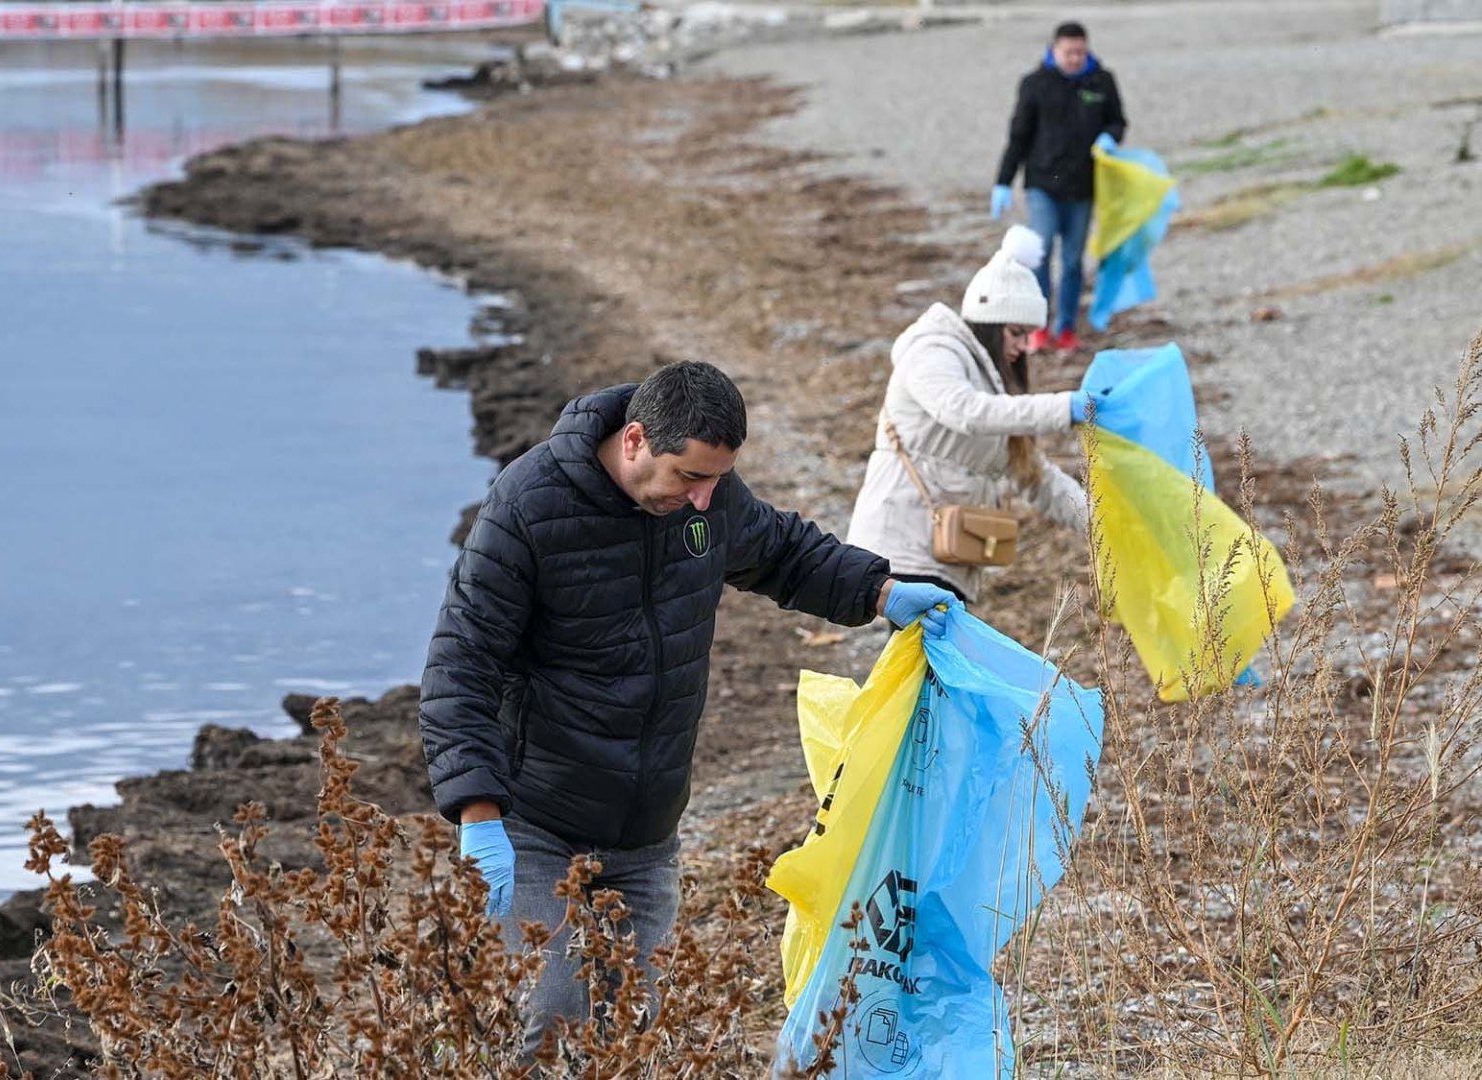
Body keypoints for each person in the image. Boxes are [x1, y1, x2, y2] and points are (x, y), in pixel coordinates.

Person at [418, 360, 953, 1053]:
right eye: (689, 478)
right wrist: (477, 812)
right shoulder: (529, 507)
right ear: (635, 439)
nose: (703, 499)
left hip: (648, 830)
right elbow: (462, 662)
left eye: (715, 480)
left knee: (640, 1035)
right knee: (553, 1021)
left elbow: (786, 553)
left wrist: (881, 591)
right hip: (538, 824)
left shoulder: (709, 500)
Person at [846, 226, 1100, 607]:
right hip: (901, 553)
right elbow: (964, 411)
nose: (1022, 346)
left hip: (948, 557)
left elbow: (1036, 477)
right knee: (917, 664)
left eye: (1029, 335)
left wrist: (1102, 523)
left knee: (917, 666)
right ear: (989, 323)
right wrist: (1065, 408)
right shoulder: (933, 351)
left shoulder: (993, 387)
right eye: (1017, 333)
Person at [990, 20, 1128, 355]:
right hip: (1042, 184)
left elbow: (1117, 120)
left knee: (1072, 261)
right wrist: (1003, 182)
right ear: (1055, 50)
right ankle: (1038, 328)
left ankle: (1065, 328)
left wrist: (1111, 136)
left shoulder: (1102, 81)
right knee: (1039, 255)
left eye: (1081, 52)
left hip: (1083, 187)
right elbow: (1019, 136)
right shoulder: (1035, 84)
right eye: (1069, 53)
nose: (1075, 58)